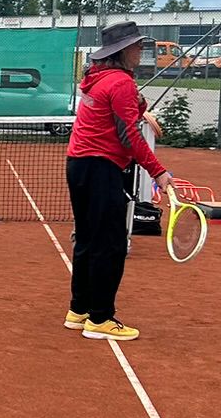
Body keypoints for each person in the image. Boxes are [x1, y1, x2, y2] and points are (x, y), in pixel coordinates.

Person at [65, 20, 176, 342]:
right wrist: (158, 171)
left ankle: (79, 310)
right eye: (138, 46)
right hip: (101, 168)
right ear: (121, 50)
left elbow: (123, 115)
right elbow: (129, 135)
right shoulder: (120, 83)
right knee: (111, 244)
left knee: (87, 239)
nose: (142, 50)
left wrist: (139, 106)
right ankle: (100, 318)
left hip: (79, 166)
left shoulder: (97, 79)